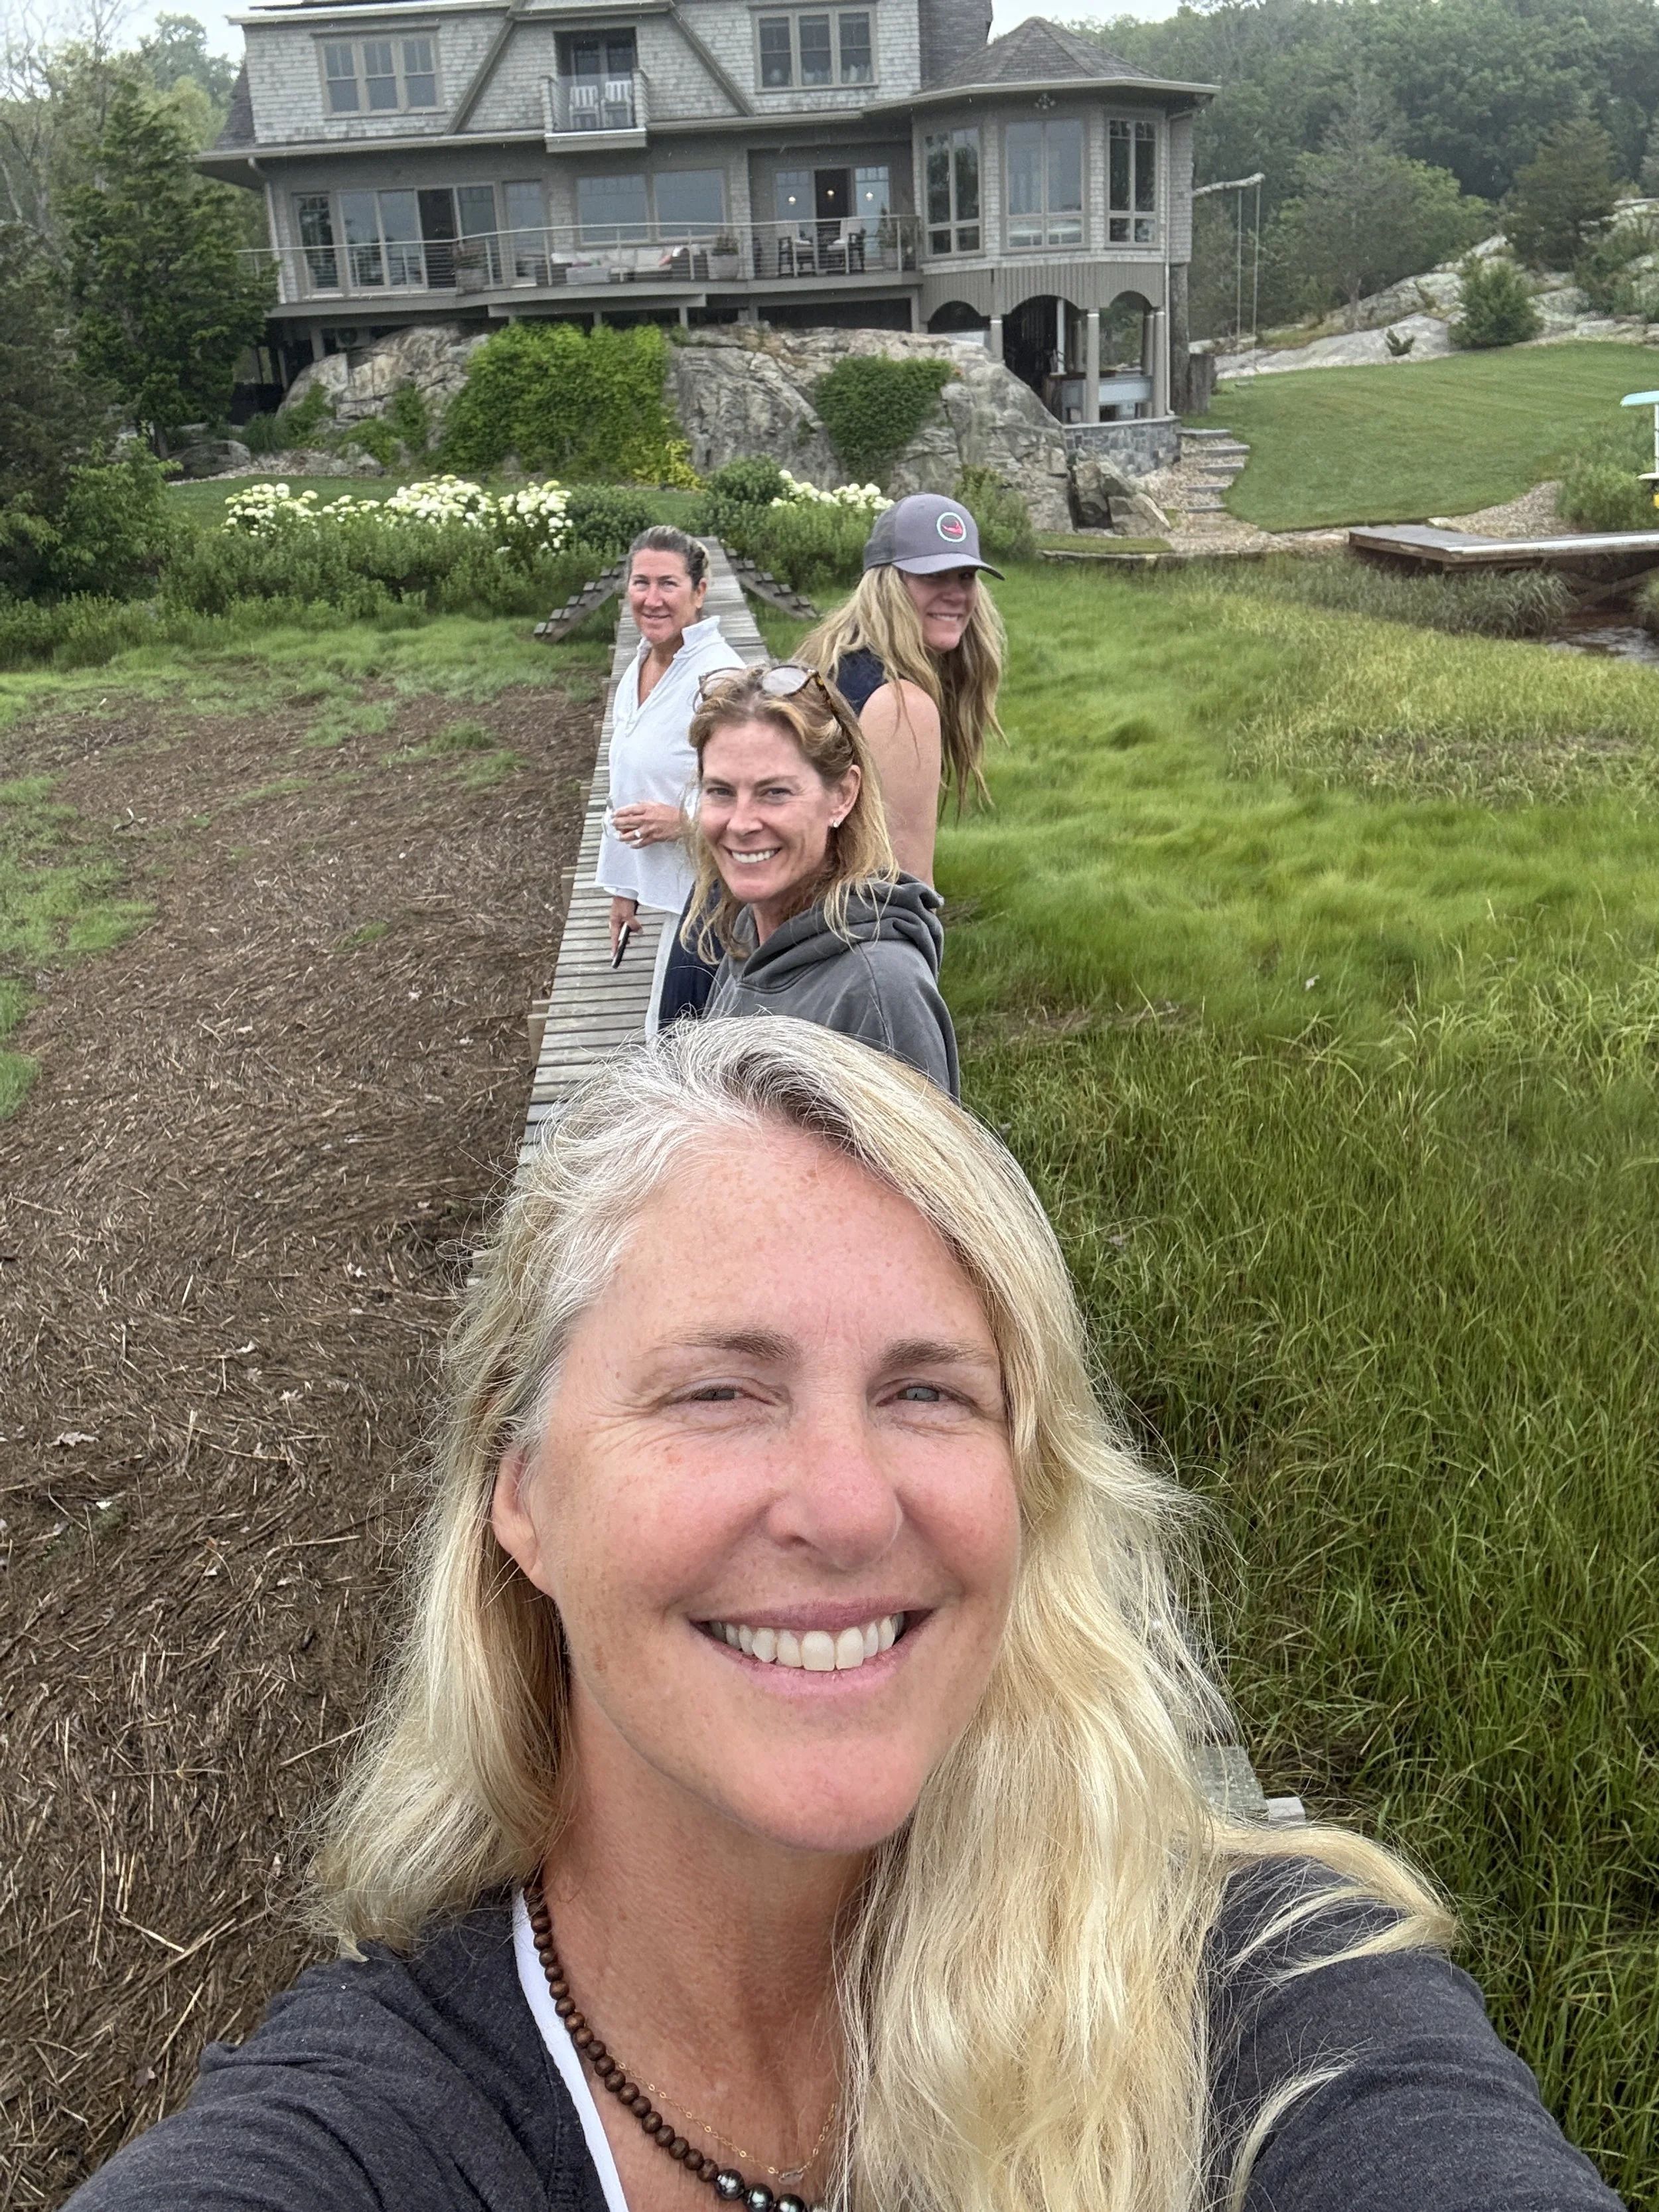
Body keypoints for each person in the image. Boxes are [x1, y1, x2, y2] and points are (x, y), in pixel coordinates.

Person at [63, 1019, 1623, 2212]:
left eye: (926, 1391)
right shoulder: (382, 2124)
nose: (848, 1502)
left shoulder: (1264, 1990)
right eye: (721, 1390)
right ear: (520, 1493)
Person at [689, 662, 958, 1097]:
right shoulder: (751, 929)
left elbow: (918, 1167)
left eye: (774, 792)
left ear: (843, 795)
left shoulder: (880, 991)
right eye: (720, 791)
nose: (739, 823)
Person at [799, 492, 1006, 883]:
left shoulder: (836, 664)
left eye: (965, 576)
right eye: (933, 576)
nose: (957, 594)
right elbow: (905, 885)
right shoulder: (900, 705)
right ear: (885, 584)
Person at [596, 526, 743, 1027]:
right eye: (641, 583)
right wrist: (624, 889)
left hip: (714, 897)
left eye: (668, 584)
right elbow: (624, 787)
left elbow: (757, 798)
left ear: (700, 592)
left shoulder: (719, 679)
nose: (652, 599)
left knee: (681, 1040)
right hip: (667, 894)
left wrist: (685, 820)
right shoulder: (639, 668)